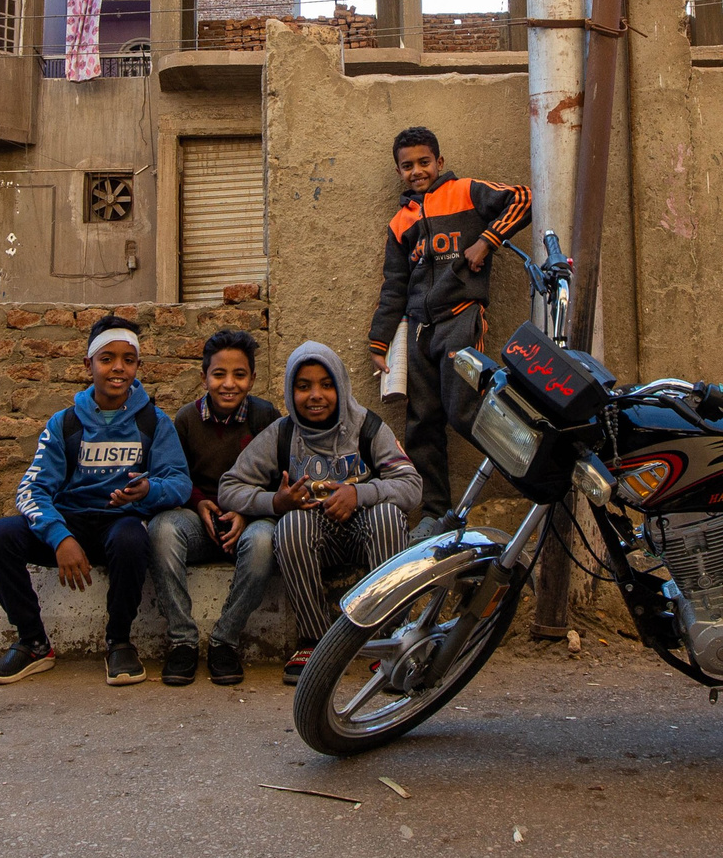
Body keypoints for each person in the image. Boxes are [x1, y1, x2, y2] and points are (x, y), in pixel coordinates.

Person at [0, 314, 191, 687]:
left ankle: (119, 641)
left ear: (138, 366)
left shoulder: (154, 422)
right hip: (69, 526)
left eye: (128, 359)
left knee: (132, 538)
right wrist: (59, 537)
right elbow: (31, 490)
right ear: (88, 364)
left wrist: (149, 490)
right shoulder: (65, 424)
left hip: (118, 524)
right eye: (107, 358)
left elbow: (179, 482)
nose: (118, 368)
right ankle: (33, 643)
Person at [218, 341, 421, 685]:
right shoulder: (283, 434)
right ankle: (314, 641)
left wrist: (359, 494)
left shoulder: (367, 428)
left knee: (387, 516)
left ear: (341, 385)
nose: (315, 395)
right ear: (290, 391)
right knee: (291, 523)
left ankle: (394, 640)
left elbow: (411, 485)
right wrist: (275, 503)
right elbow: (230, 487)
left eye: (326, 385)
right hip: (313, 540)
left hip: (367, 535)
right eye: (303, 386)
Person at [365, 125, 531, 526]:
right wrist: (379, 339)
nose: (416, 171)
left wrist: (487, 240)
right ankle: (435, 514)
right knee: (421, 423)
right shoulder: (400, 223)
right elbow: (395, 285)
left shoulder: (466, 192)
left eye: (424, 162)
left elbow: (523, 198)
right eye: (407, 166)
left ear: (439, 162)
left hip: (461, 317)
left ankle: (531, 461)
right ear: (399, 171)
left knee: (462, 409)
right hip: (419, 330)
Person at [147, 329, 281, 688]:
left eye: (239, 375)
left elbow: (276, 478)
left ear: (253, 378)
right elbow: (175, 474)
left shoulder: (266, 417)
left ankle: (225, 640)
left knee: (265, 540)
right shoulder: (186, 420)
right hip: (200, 524)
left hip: (249, 522)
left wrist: (247, 513)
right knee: (162, 528)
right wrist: (198, 502)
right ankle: (182, 641)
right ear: (204, 376)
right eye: (219, 374)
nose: (229, 384)